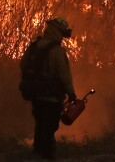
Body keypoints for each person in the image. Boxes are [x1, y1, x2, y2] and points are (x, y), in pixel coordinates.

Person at [21, 17, 76, 159]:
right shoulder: (57, 51)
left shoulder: (34, 46)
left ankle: (37, 154)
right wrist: (71, 93)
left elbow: (23, 64)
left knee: (40, 125)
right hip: (52, 98)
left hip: (36, 96)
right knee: (49, 128)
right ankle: (47, 156)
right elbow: (64, 75)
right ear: (58, 32)